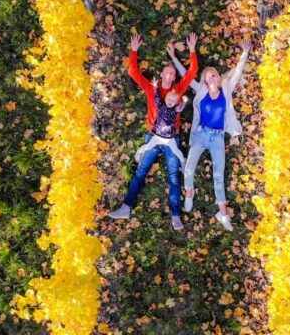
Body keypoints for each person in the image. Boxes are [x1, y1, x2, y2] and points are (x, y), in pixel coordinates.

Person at [108, 33, 198, 230]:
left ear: (174, 78)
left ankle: (176, 215)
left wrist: (192, 50)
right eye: (167, 72)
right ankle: (126, 208)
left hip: (171, 139)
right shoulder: (151, 88)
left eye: (172, 73)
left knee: (174, 177)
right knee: (140, 172)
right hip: (153, 137)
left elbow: (193, 71)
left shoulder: (178, 90)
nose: (169, 75)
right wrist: (134, 50)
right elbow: (133, 72)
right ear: (162, 74)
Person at [168, 39, 252, 231]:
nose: (213, 77)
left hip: (217, 137)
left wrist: (244, 53)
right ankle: (189, 194)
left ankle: (222, 213)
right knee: (189, 167)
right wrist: (174, 57)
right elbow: (186, 75)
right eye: (210, 76)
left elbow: (237, 73)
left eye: (215, 75)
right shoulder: (201, 90)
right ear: (206, 80)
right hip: (201, 134)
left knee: (218, 175)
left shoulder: (226, 90)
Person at [135, 77, 188, 172]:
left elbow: (180, 108)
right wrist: (155, 86)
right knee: (147, 147)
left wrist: (183, 101)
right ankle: (139, 153)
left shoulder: (175, 110)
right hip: (157, 136)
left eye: (173, 101)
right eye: (169, 99)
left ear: (176, 103)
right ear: (166, 98)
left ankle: (183, 162)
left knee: (176, 151)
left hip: (169, 138)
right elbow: (158, 97)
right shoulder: (160, 106)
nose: (171, 102)